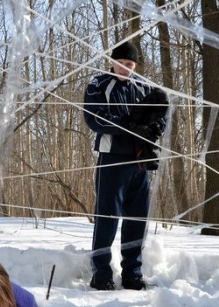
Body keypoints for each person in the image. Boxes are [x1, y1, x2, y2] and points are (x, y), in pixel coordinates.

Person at [83, 41, 167, 291]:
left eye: (130, 65)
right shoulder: (99, 84)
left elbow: (160, 115)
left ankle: (133, 272)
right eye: (122, 63)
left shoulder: (143, 87)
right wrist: (128, 125)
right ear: (113, 61)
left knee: (137, 219)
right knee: (107, 217)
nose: (125, 69)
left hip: (139, 161)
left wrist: (154, 129)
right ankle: (101, 273)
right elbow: (94, 117)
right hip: (112, 159)